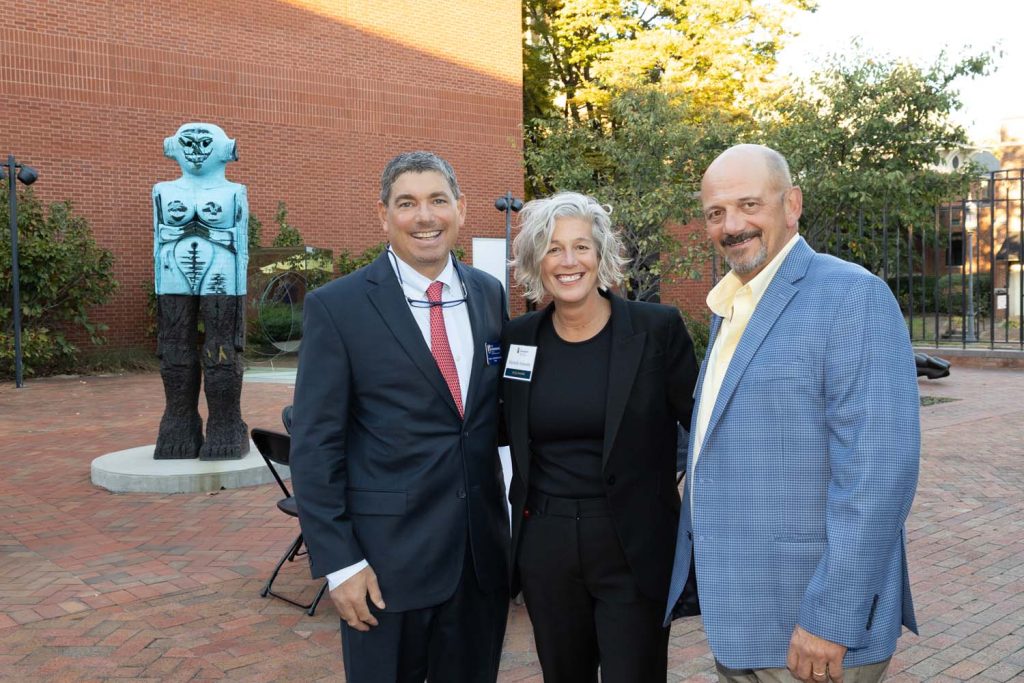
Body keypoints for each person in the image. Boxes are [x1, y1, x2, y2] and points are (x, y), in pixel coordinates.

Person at [664, 144, 920, 683]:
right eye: (715, 212)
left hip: (813, 629)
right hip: (746, 619)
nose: (732, 225)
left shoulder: (851, 296)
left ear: (792, 204)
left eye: (749, 205)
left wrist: (830, 618)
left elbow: (878, 476)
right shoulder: (734, 303)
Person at [289, 151, 510, 682]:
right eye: (406, 203)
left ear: (460, 208)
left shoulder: (488, 294)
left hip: (479, 564)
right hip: (383, 567)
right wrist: (340, 564)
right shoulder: (337, 307)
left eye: (437, 200)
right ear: (382, 215)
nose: (425, 216)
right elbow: (316, 448)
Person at [501, 191, 699, 682]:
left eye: (582, 247)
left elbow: (704, 431)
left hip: (635, 544)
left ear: (602, 255)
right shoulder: (518, 339)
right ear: (535, 262)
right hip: (546, 545)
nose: (569, 261)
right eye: (552, 248)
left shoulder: (657, 330)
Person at [152, 122, 250, 460]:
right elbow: (159, 238)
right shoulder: (163, 191)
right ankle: (178, 421)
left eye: (204, 142)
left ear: (226, 150)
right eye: (187, 142)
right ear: (172, 147)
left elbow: (240, 244)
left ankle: (226, 423)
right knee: (173, 347)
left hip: (222, 280)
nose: (195, 149)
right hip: (172, 278)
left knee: (220, 349)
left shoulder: (233, 192)